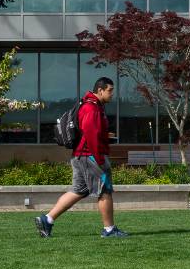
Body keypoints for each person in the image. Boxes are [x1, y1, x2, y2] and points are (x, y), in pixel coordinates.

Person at [35, 77, 128, 239]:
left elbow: (91, 132)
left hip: (81, 156)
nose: (112, 94)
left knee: (79, 191)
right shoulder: (91, 108)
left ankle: (47, 219)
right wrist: (99, 159)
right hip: (90, 156)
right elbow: (91, 135)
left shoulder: (92, 106)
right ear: (100, 90)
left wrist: (105, 136)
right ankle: (109, 229)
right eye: (110, 90)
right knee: (104, 190)